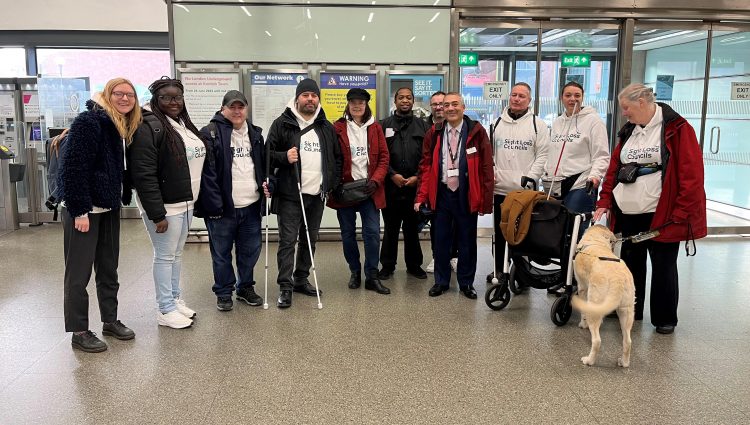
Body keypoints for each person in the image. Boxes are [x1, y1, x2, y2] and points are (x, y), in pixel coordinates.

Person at [594, 83, 707, 335]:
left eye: (627, 108)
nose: (624, 113)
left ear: (643, 102)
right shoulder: (629, 131)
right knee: (630, 264)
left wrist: (681, 212)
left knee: (664, 266)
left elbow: (691, 175)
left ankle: (665, 318)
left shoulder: (677, 129)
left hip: (662, 213)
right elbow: (614, 169)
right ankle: (630, 310)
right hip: (628, 212)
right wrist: (604, 200)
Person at [59, 77, 141, 352]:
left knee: (108, 267)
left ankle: (110, 320)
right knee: (78, 273)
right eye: (119, 93)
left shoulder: (119, 125)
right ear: (108, 95)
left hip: (108, 206)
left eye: (130, 95)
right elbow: (73, 168)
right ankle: (79, 331)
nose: (125, 99)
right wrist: (79, 210)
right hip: (84, 209)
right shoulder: (89, 122)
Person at [129, 77, 206, 329]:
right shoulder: (148, 125)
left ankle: (174, 299)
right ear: (156, 99)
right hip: (165, 207)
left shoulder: (180, 123)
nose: (173, 102)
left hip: (185, 202)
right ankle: (164, 308)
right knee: (164, 256)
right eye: (167, 98)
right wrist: (156, 213)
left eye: (178, 97)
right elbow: (143, 174)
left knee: (176, 255)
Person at [267, 78, 342, 308]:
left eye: (314, 95)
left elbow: (337, 158)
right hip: (291, 195)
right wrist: (284, 157)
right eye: (305, 95)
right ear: (297, 98)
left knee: (310, 240)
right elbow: (267, 154)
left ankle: (301, 279)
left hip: (316, 194)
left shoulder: (325, 126)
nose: (310, 99)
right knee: (288, 241)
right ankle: (285, 286)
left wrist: (330, 184)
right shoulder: (282, 123)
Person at [414, 92, 493, 299]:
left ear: (463, 107)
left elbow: (486, 166)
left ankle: (466, 283)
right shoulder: (435, 132)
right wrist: (421, 196)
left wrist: (486, 199)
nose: (449, 108)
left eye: (454, 104)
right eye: (446, 105)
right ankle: (441, 281)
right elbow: (425, 166)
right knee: (441, 240)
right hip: (441, 194)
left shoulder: (476, 131)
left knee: (467, 240)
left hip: (466, 194)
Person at [197, 90, 268, 312]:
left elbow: (263, 167)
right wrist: (214, 205)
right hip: (222, 209)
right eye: (232, 107)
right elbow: (206, 174)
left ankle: (245, 287)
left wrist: (268, 183)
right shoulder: (210, 133)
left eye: (241, 107)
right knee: (221, 253)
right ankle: (224, 292)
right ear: (223, 109)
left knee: (250, 251)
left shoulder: (256, 134)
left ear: (246, 109)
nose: (237, 111)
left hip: (251, 205)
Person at [328, 88, 390, 294]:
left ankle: (371, 275)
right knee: (348, 234)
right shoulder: (337, 128)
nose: (357, 105)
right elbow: (331, 159)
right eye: (353, 102)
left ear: (366, 105)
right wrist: (334, 185)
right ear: (348, 104)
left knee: (372, 233)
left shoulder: (376, 128)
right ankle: (354, 271)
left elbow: (383, 158)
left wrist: (376, 180)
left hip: (369, 190)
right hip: (344, 191)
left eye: (361, 102)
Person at [489, 82, 549, 280]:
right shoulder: (496, 123)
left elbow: (543, 155)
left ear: (529, 100)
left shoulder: (537, 125)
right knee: (500, 233)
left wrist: (531, 176)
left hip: (525, 193)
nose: (516, 99)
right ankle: (500, 269)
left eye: (522, 96)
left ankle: (521, 274)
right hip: (500, 190)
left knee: (523, 234)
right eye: (514, 95)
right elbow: (490, 155)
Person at [379, 87, 429, 281]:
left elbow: (427, 157)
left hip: (414, 188)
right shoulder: (383, 125)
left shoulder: (423, 127)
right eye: (401, 98)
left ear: (413, 101)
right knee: (390, 228)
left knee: (411, 229)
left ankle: (414, 265)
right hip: (391, 186)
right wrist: (392, 175)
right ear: (395, 101)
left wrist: (417, 176)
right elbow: (380, 155)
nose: (405, 101)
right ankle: (387, 266)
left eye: (409, 98)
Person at [543, 81, 609, 216]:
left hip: (581, 183)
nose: (573, 99)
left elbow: (601, 155)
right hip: (555, 185)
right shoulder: (557, 122)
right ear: (561, 98)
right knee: (557, 229)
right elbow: (552, 152)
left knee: (575, 228)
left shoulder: (594, 121)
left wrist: (595, 176)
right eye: (568, 95)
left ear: (583, 97)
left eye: (577, 95)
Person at [423, 91, 459, 275]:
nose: (439, 107)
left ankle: (454, 256)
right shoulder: (427, 128)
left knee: (457, 226)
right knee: (437, 226)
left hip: (459, 186)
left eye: (441, 103)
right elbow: (425, 160)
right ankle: (438, 257)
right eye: (435, 104)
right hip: (437, 186)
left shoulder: (465, 127)